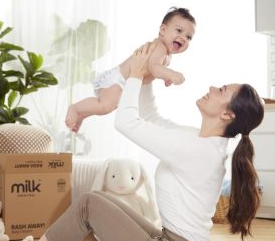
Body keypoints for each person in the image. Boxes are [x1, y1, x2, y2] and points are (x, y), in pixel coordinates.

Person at [39, 42, 264, 241]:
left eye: (222, 90)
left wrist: (135, 75)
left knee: (88, 205)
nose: (213, 88)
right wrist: (146, 78)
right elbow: (150, 118)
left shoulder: (197, 149)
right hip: (166, 236)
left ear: (227, 115)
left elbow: (127, 123)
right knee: (96, 198)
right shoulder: (198, 141)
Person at [65, 7, 196, 133]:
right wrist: (171, 74)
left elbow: (156, 70)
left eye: (189, 37)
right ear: (163, 30)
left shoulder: (167, 54)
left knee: (107, 107)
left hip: (125, 85)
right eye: (179, 31)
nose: (183, 38)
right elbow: (154, 68)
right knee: (105, 106)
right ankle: (75, 108)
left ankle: (82, 115)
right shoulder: (160, 47)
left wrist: (166, 77)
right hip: (117, 80)